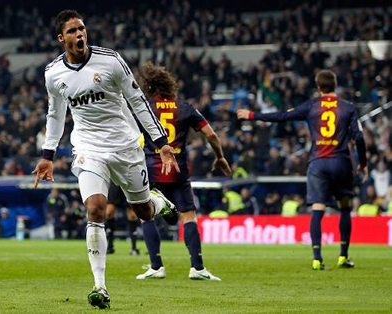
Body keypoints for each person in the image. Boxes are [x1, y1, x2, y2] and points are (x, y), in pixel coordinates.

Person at [32, 10, 179, 309]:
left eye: (82, 29)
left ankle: (160, 202)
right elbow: (56, 115)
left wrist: (161, 142)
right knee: (95, 210)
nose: (80, 35)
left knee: (144, 213)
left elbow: (138, 101)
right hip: (88, 148)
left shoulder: (110, 60)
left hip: (125, 146)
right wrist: (48, 155)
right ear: (62, 38)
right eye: (72, 31)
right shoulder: (53, 74)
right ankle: (100, 287)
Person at [238, 69, 368, 270]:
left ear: (318, 87)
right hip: (341, 161)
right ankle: (343, 256)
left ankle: (317, 258)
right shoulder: (348, 107)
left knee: (318, 207)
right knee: (344, 207)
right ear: (334, 85)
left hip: (318, 163)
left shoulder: (312, 106)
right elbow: (359, 137)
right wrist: (364, 164)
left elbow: (281, 116)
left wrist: (253, 115)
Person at [135, 62, 231, 281]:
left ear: (149, 87)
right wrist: (220, 157)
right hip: (178, 171)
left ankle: (156, 266)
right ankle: (197, 267)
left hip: (152, 171)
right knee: (189, 217)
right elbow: (212, 135)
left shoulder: (144, 108)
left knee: (147, 217)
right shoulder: (185, 108)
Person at [105, 182, 140, 255]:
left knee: (132, 215)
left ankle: (134, 248)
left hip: (129, 180)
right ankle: (110, 246)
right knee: (109, 213)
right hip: (116, 180)